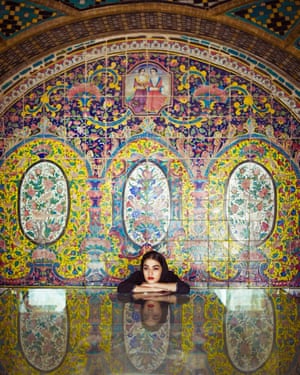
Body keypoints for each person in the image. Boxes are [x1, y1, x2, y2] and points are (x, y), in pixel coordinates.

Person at [117, 250, 190, 294]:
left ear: (162, 269)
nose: (150, 273)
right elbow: (122, 288)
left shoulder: (168, 276)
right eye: (146, 268)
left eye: (155, 268)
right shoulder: (139, 276)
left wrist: (154, 285)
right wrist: (153, 289)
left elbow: (184, 288)